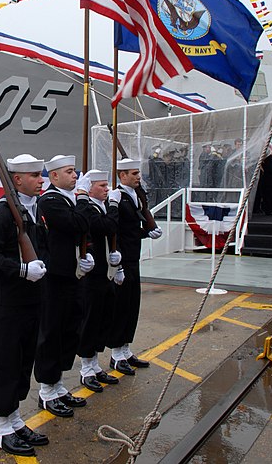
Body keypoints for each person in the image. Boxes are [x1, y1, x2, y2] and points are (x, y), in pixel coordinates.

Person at [0, 154, 48, 457]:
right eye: (34, 175)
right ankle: (1, 428)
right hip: (6, 303)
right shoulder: (1, 215)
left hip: (30, 300)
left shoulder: (32, 211)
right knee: (5, 364)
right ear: (16, 179)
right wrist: (22, 270)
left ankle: (15, 419)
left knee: (22, 364)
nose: (41, 180)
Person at [34, 154, 93, 417]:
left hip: (73, 276)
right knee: (52, 332)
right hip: (55, 278)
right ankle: (46, 390)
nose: (75, 175)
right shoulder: (50, 201)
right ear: (54, 176)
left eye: (75, 171)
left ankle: (57, 384)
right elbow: (78, 223)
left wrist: (86, 253)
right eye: (69, 171)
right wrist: (82, 197)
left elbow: (84, 231)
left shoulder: (68, 200)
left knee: (70, 330)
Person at [108, 158, 163, 375]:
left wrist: (147, 232)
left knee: (132, 305)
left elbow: (133, 228)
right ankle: (116, 354)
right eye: (133, 173)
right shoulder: (118, 197)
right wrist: (118, 263)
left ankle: (126, 348)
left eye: (138, 173)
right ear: (122, 176)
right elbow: (116, 232)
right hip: (123, 259)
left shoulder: (135, 195)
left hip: (134, 256)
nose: (138, 177)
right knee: (120, 307)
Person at [77, 170, 121, 392]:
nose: (107, 189)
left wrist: (118, 260)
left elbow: (114, 234)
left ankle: (94, 364)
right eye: (102, 185)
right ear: (90, 187)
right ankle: (86, 369)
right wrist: (114, 206)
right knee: (90, 321)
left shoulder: (100, 207)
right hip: (91, 277)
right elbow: (106, 227)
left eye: (107, 185)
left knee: (103, 319)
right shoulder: (89, 209)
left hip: (106, 273)